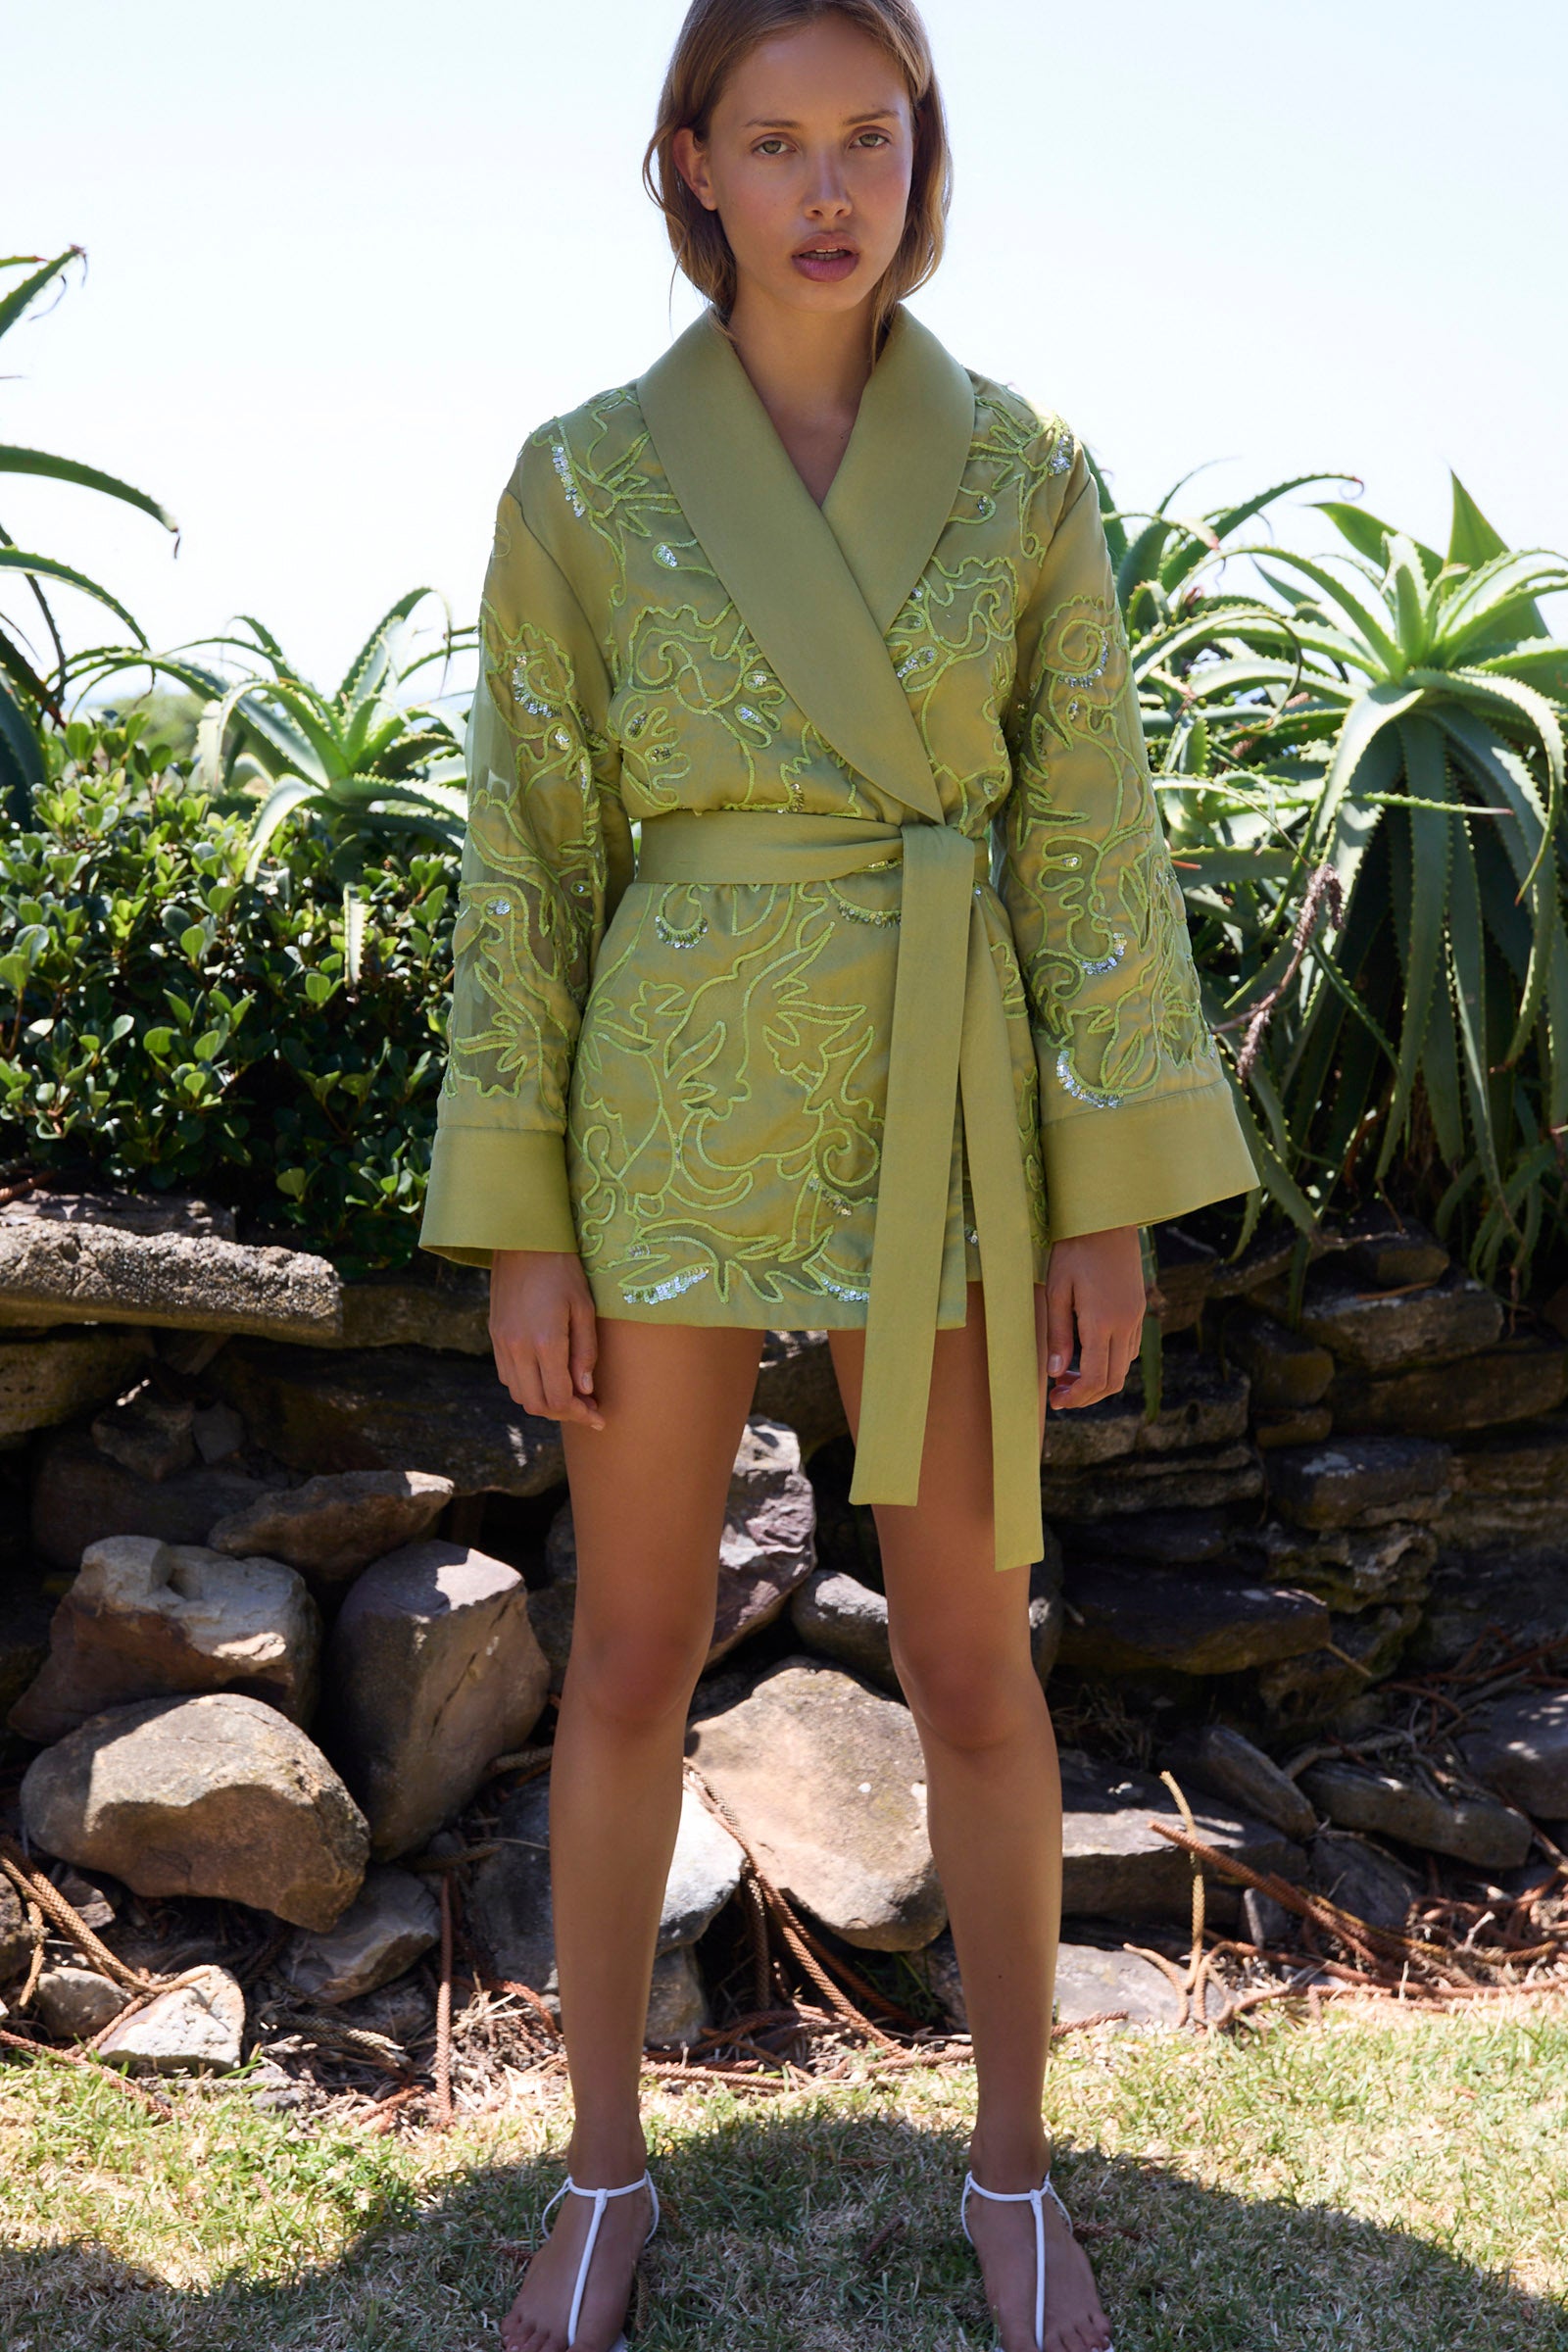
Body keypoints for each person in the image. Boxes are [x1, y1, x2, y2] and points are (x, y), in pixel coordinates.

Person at [419, 2, 1256, 2345]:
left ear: (919, 154)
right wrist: (521, 1215)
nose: (824, 188)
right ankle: (599, 2174)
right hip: (667, 1091)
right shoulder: (581, 480)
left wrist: (1102, 1196)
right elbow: (527, 856)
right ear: (686, 164)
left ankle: (1013, 2177)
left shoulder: (1025, 471)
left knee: (974, 1662)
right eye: (772, 140)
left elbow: (1085, 837)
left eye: (865, 137)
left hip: (949, 1100)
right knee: (625, 1655)